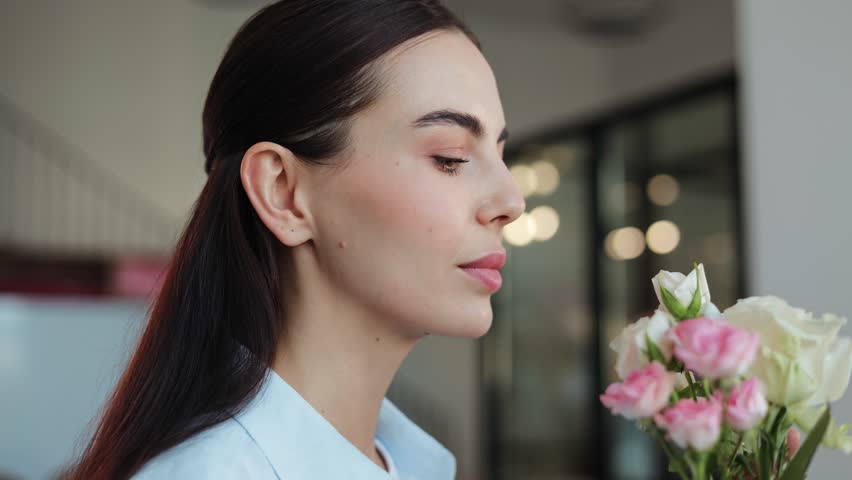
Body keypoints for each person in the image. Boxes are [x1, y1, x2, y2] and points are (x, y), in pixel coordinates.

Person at [64, 0, 524, 478]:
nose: (512, 200)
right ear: (281, 192)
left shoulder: (409, 463)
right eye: (450, 157)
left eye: (500, 153)